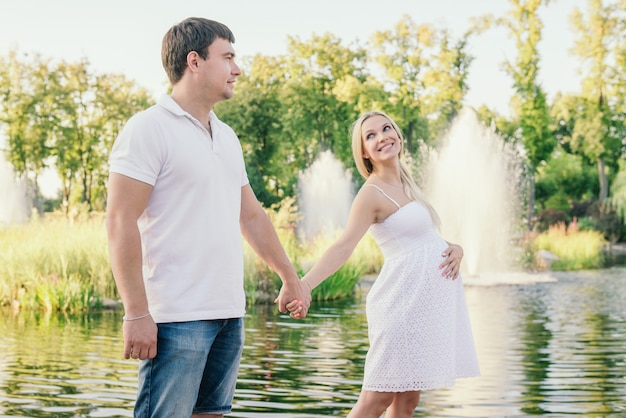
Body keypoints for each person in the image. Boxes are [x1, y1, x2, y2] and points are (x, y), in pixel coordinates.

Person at [105, 17, 308, 417]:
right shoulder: (148, 128)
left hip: (229, 313)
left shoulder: (226, 136)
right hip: (176, 318)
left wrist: (291, 278)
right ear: (194, 61)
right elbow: (119, 220)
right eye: (228, 57)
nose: (237, 68)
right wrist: (136, 312)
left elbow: (250, 216)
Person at [289, 110, 480, 417]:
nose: (382, 138)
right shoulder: (371, 194)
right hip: (400, 307)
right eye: (371, 135)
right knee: (377, 398)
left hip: (420, 308)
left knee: (407, 402)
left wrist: (455, 248)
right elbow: (342, 246)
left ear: (398, 134)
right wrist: (304, 286)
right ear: (364, 152)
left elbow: (423, 241)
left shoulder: (407, 184)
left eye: (386, 128)